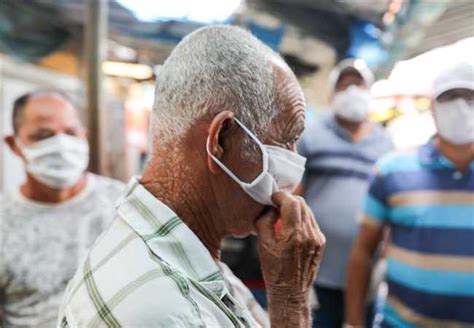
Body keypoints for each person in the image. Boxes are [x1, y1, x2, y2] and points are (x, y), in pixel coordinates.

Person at [57, 25, 325, 328]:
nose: (294, 161)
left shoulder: (180, 253)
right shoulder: (164, 310)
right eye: (286, 140)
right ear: (221, 140)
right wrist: (291, 301)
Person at [345, 61, 474, 327]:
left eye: (470, 96)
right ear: (433, 107)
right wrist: (353, 323)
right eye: (450, 97)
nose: (460, 107)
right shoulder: (391, 170)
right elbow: (363, 252)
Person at [0, 90, 125, 327]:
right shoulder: (3, 221)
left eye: (70, 133)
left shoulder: (124, 203)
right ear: (13, 145)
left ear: (84, 137)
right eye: (43, 135)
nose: (61, 145)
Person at [297, 59, 393, 328]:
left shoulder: (386, 145)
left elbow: (392, 202)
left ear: (369, 91)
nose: (352, 91)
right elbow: (293, 193)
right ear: (333, 93)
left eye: (358, 84)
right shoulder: (312, 136)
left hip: (367, 273)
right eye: (345, 84)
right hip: (317, 271)